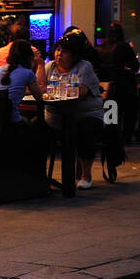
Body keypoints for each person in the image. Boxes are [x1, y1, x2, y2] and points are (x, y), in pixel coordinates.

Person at [44, 31, 104, 189]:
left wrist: (56, 90)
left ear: (75, 56)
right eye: (58, 49)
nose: (59, 54)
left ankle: (86, 175)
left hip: (85, 115)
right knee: (33, 129)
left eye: (65, 51)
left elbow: (81, 92)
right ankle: (38, 176)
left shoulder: (84, 66)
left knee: (86, 130)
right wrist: (38, 66)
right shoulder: (49, 67)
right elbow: (39, 88)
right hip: (55, 118)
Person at [95, 22, 139, 141]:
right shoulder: (124, 46)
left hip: (106, 88)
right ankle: (127, 135)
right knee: (131, 108)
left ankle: (110, 135)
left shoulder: (101, 48)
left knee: (111, 113)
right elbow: (135, 66)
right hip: (123, 87)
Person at [0, 40, 45, 124]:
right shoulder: (27, 73)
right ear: (29, 56)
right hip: (12, 123)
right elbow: (40, 97)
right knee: (35, 121)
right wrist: (40, 63)